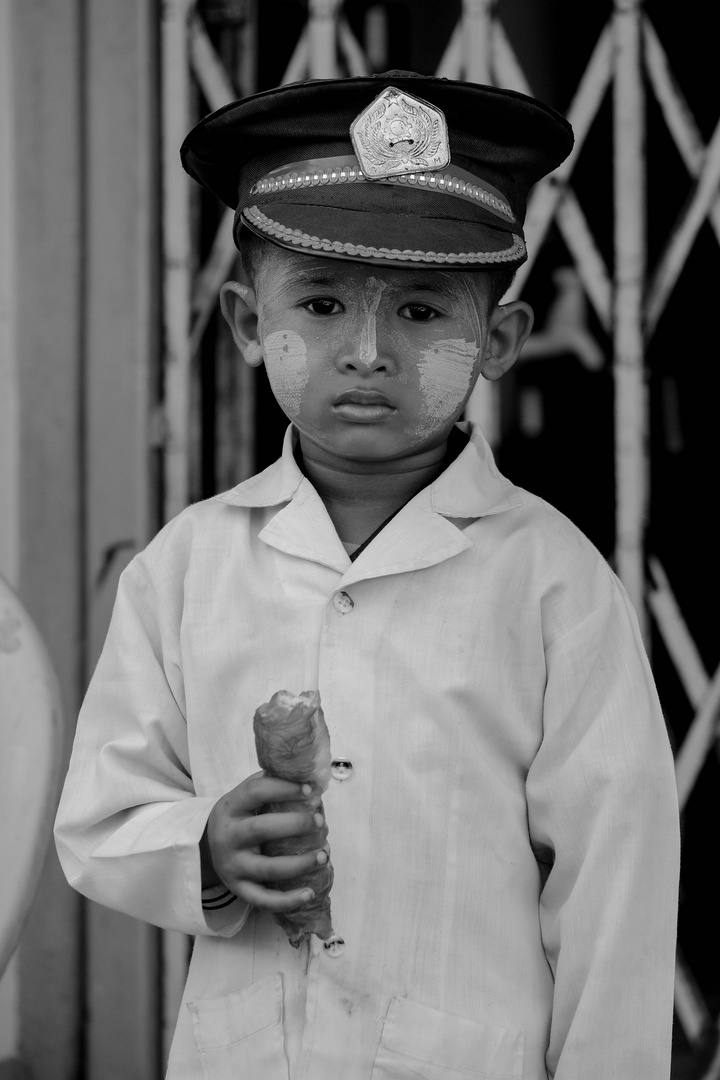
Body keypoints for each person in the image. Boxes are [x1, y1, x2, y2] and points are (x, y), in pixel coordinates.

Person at [54, 72, 680, 1080]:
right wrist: (202, 849)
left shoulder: (556, 587)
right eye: (324, 302)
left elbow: (618, 889)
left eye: (424, 309)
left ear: (499, 344)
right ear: (249, 325)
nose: (369, 352)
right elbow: (99, 817)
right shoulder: (187, 567)